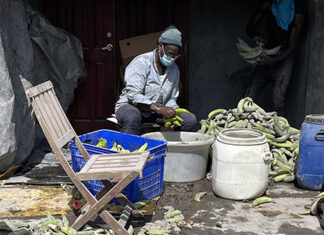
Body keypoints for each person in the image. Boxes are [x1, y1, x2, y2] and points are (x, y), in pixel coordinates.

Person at [115, 25, 197, 135]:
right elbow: (133, 95)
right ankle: (132, 150)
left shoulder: (174, 70)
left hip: (156, 113)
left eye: (175, 56)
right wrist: (158, 109)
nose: (171, 58)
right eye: (169, 53)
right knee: (132, 117)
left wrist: (172, 112)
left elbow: (171, 98)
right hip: (132, 108)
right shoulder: (141, 62)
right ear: (160, 46)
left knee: (189, 120)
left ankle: (171, 147)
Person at [245, 0, 304, 115]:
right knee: (249, 97)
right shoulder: (269, 4)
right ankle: (245, 128)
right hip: (267, 53)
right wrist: (257, 37)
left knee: (278, 103)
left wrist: (272, 60)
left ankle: (279, 131)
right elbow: (249, 28)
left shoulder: (297, 11)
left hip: (285, 58)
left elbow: (292, 46)